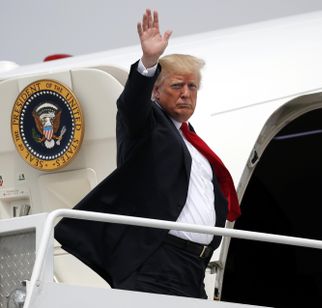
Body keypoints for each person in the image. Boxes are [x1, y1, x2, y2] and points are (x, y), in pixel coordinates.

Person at [54, 9, 240, 299]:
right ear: (155, 91)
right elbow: (131, 106)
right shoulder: (148, 126)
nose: (186, 93)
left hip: (193, 268)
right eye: (177, 85)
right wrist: (148, 63)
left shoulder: (193, 142)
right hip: (156, 263)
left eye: (192, 86)